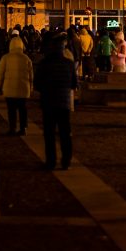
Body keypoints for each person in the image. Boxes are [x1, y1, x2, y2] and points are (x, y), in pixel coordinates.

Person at [34, 34, 77, 171]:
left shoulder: (44, 63)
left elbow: (37, 84)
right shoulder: (69, 64)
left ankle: (51, 161)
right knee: (65, 133)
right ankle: (66, 160)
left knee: (49, 134)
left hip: (48, 102)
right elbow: (73, 84)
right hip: (64, 102)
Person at [0, 30, 33, 135]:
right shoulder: (26, 59)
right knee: (22, 109)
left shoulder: (5, 58)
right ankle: (23, 127)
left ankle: (12, 128)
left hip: (9, 88)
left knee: (11, 110)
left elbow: (0, 73)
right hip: (23, 88)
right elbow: (31, 76)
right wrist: (31, 87)